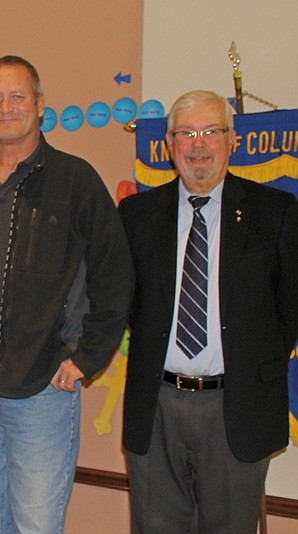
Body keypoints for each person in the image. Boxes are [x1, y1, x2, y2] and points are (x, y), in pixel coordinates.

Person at [0, 55, 134, 533]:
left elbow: (116, 276)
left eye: (17, 97)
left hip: (44, 384)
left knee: (35, 521)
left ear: (40, 105)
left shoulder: (75, 180)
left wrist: (85, 358)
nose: (5, 107)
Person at [119, 90, 298, 533]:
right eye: (186, 133)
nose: (198, 144)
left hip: (237, 409)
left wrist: (249, 361)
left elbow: (290, 309)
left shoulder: (275, 212)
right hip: (156, 406)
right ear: (169, 144)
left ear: (232, 139)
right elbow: (125, 302)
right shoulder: (137, 215)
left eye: (211, 132)